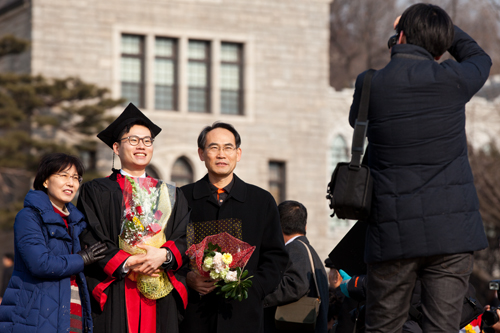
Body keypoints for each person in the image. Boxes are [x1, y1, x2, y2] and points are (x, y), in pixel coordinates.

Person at [348, 3, 491, 332]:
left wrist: (410, 32)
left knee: (383, 327)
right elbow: (481, 58)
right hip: (452, 235)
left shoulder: (370, 84)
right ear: (440, 49)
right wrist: (444, 32)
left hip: (392, 233)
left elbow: (357, 122)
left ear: (399, 37)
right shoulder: (453, 80)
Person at [77, 103, 190, 333]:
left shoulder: (170, 193)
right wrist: (128, 262)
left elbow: (185, 235)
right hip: (118, 287)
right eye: (133, 140)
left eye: (147, 141)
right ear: (116, 148)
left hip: (159, 284)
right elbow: (90, 234)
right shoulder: (97, 191)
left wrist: (163, 255)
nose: (142, 146)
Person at [179, 122, 288, 333]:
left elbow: (276, 257)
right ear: (201, 154)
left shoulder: (261, 201)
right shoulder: (182, 198)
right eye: (213, 147)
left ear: (238, 153)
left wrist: (252, 288)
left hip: (244, 316)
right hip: (194, 315)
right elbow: (170, 250)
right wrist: (186, 278)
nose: (221, 154)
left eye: (228, 147)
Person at [0, 153, 107, 332]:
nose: (70, 183)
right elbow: (40, 263)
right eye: (63, 175)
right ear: (45, 181)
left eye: (75, 177)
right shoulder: (29, 217)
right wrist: (82, 258)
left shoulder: (78, 222)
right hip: (35, 316)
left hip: (72, 312)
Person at [262, 200, 329, 333]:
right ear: (305, 227)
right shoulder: (306, 249)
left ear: (277, 226)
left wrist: (258, 294)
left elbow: (296, 285)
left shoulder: (295, 248)